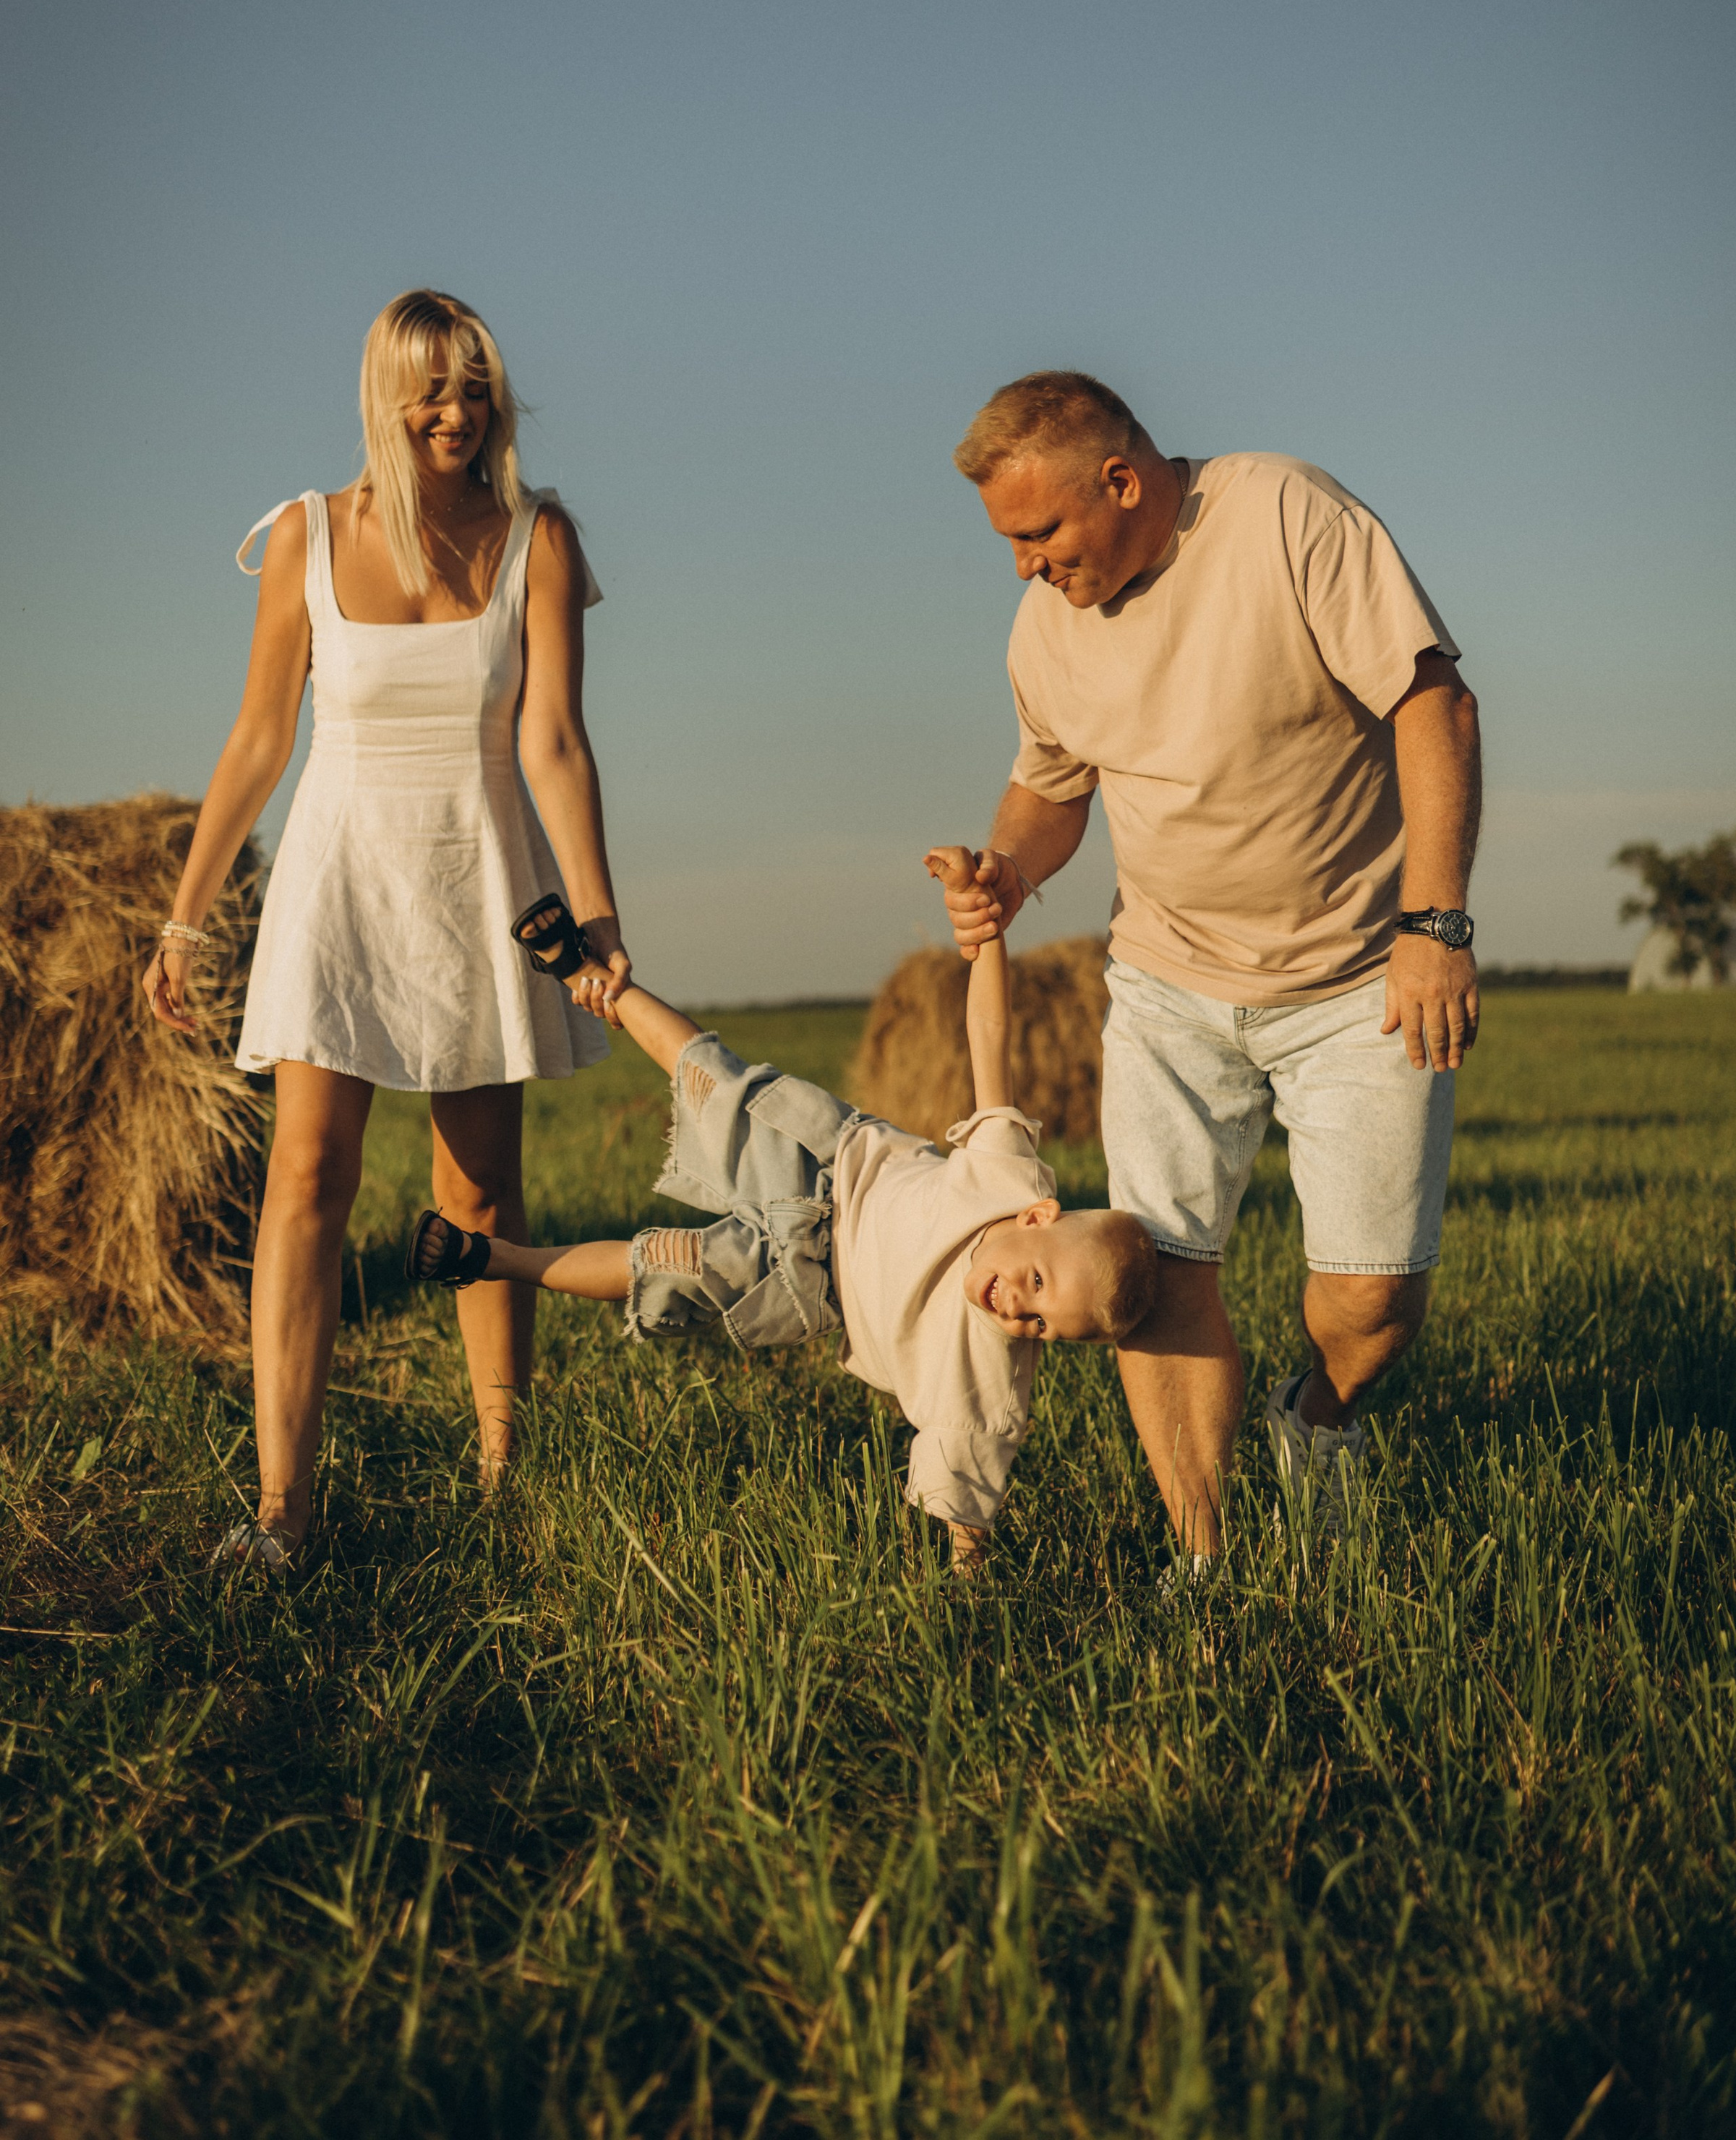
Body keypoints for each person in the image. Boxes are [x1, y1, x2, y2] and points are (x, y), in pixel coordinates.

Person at [933, 370, 1481, 1561]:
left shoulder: (1286, 519)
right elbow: (1050, 786)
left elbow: (1434, 706)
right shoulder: (1045, 627)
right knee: (1165, 1272)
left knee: (1375, 1296)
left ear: (1121, 482)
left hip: (1356, 983)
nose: (1025, 565)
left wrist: (1435, 926)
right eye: (1011, 543)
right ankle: (1205, 1555)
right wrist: (1008, 873)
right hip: (1168, 986)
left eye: (1039, 534)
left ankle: (1319, 1416)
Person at [144, 290, 628, 1572]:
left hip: (485, 878)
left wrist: (595, 912)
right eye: (431, 389)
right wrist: (185, 919)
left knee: (476, 1192)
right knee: (307, 1178)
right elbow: (260, 739)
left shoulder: (541, 539)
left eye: (476, 388)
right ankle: (281, 1511)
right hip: (341, 879)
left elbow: (556, 741)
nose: (457, 414)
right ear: (383, 395)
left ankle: (502, 1476)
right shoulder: (306, 534)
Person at [409, 849, 1158, 1564]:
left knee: (665, 1268)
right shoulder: (1005, 1179)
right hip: (825, 1165)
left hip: (802, 1278)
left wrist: (967, 1576)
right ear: (1038, 1217)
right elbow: (988, 1038)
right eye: (1034, 1285)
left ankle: (492, 1259)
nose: (1016, 1313)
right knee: (710, 1074)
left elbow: (971, 1478)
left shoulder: (993, 1371)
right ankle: (583, 969)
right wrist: (988, 931)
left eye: (1039, 1327)